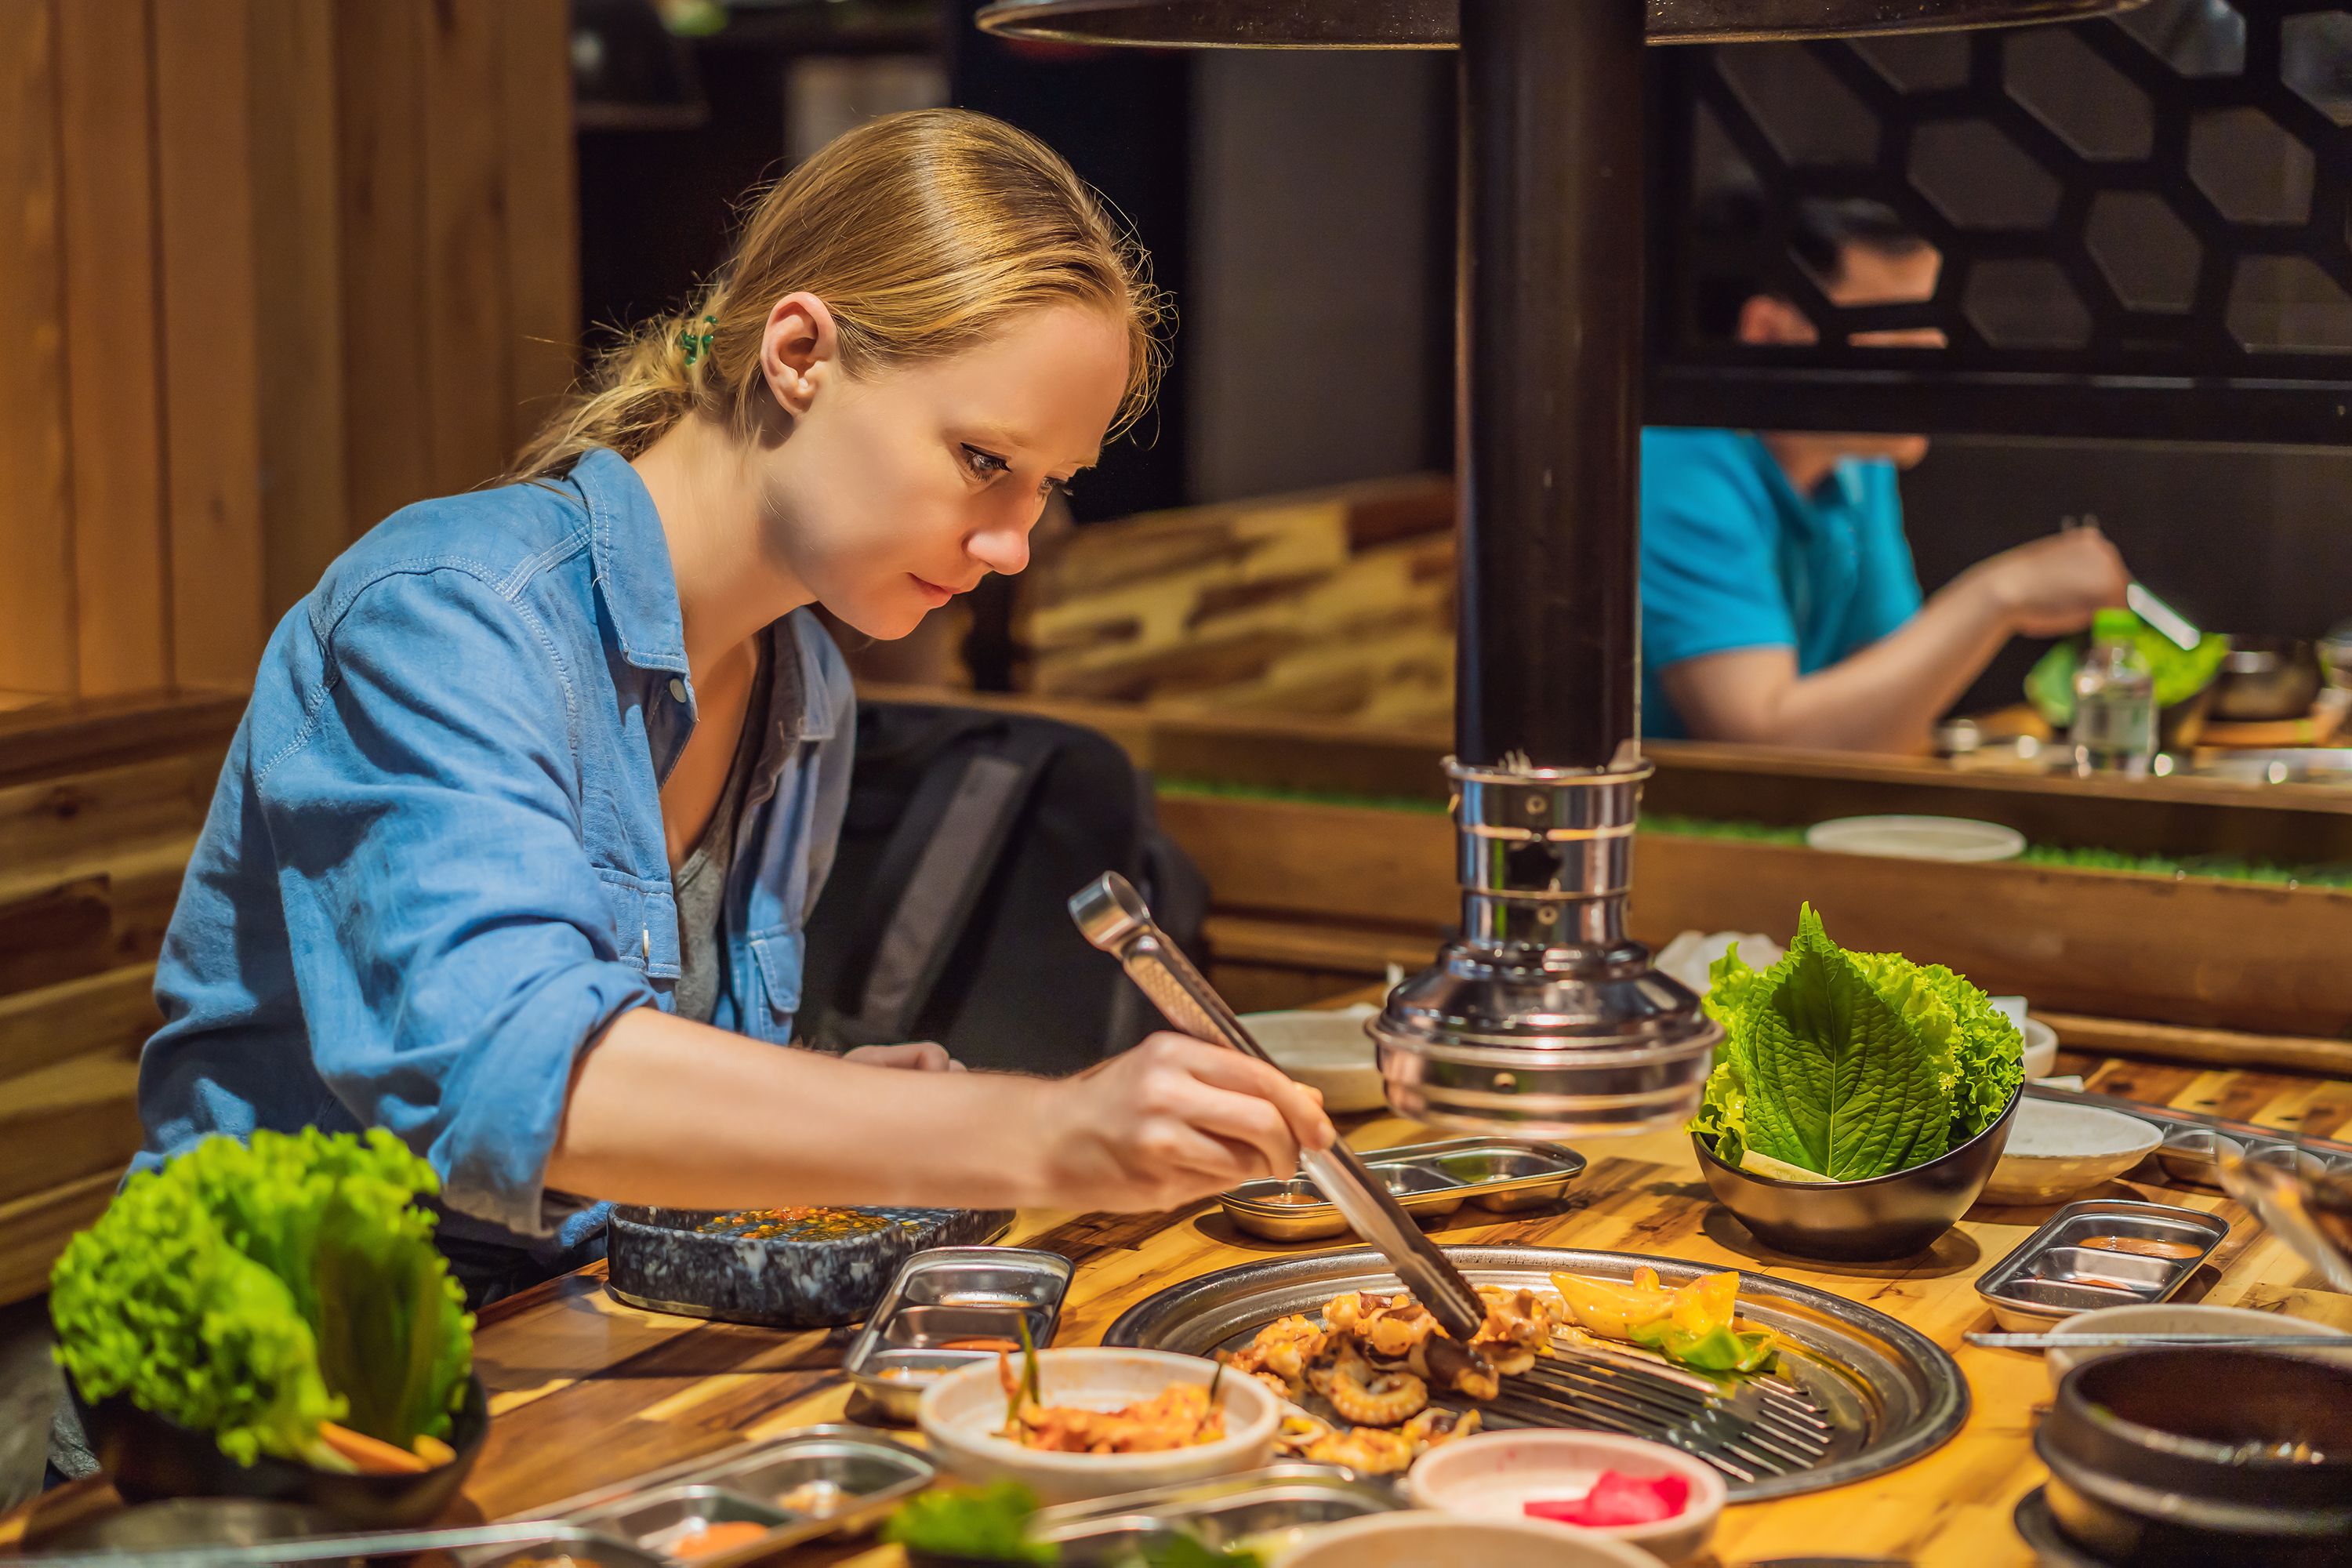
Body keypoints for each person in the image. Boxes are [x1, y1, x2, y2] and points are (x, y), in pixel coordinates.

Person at [134, 110, 1334, 1308]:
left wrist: (840, 1104)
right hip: (285, 1380)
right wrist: (1036, 1130)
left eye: (1046, 487)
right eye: (983, 460)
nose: (1014, 544)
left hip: (582, 1350)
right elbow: (517, 1080)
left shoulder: (804, 686)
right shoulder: (448, 613)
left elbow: (647, 1128)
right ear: (799, 352)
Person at [1641, 197, 2132, 751]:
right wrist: (2001, 595)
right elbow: (1761, 740)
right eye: (1899, 331)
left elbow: (1889, 716)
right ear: (1768, 332)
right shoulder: (1681, 463)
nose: (1934, 356)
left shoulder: (1857, 461)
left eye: (1936, 329)